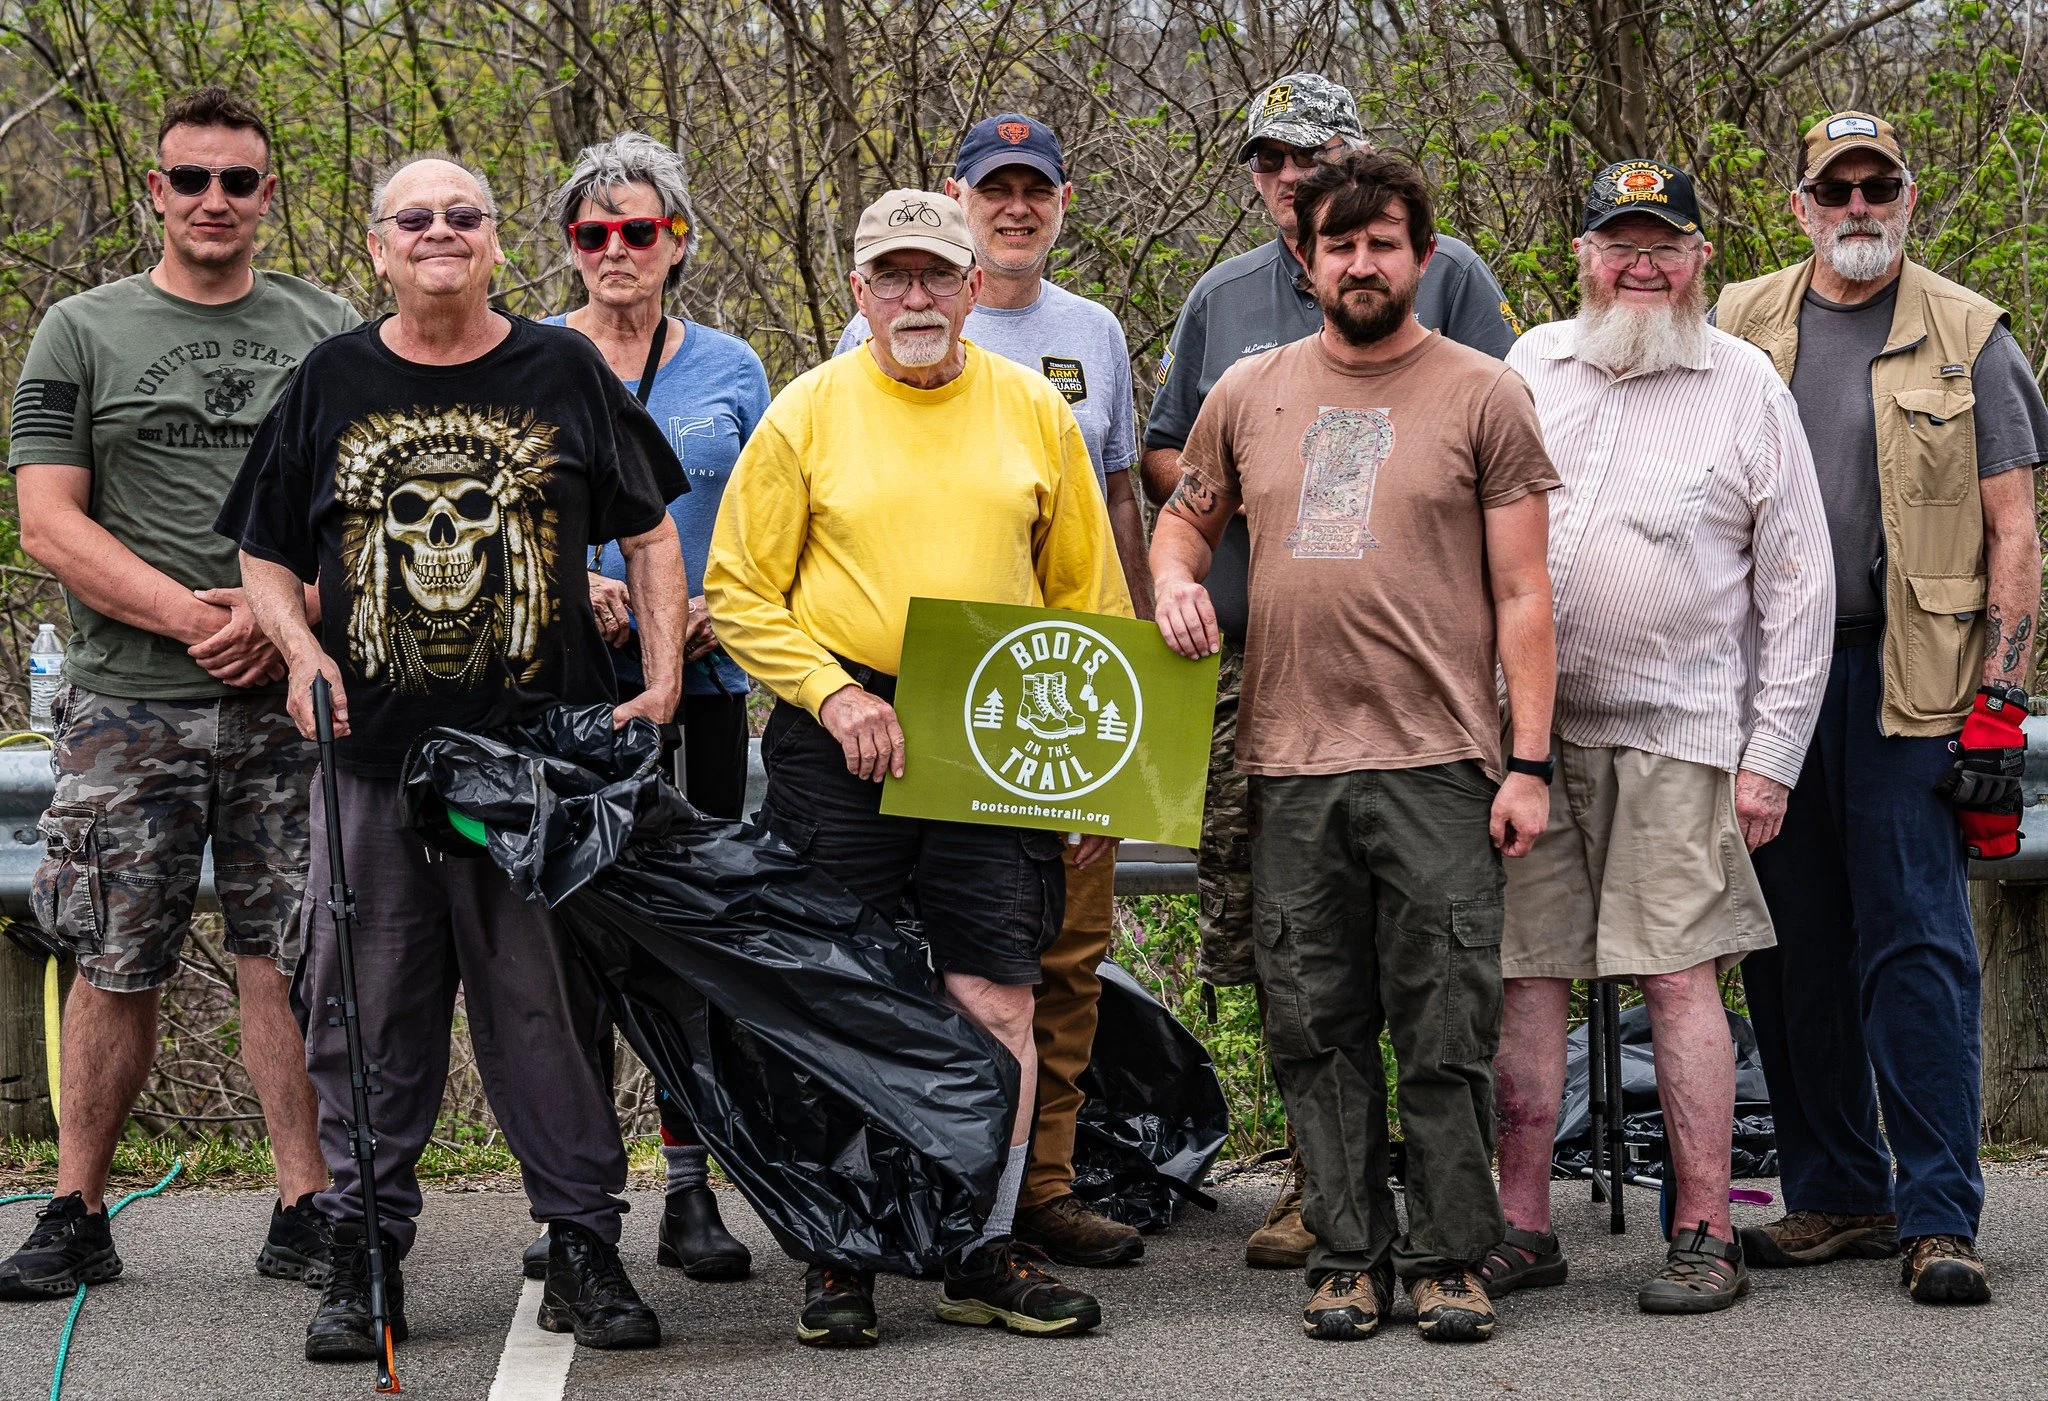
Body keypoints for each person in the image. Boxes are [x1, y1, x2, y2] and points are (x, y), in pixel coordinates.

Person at [219, 152, 688, 1359]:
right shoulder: (329, 379)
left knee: (544, 1010)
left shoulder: (564, 367)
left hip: (529, 772)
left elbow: (647, 530)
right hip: (370, 760)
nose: (440, 231)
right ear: (376, 246)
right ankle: (364, 1248)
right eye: (413, 217)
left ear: (494, 242)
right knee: (365, 1012)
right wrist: (297, 650)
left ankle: (582, 1244)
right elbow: (264, 553)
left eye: (463, 215)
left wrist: (664, 677)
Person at [705, 188, 1132, 1347]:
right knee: (839, 995)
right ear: (857, 291)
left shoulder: (1034, 410)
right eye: (890, 277)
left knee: (996, 992)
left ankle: (980, 1243)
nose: (914, 298)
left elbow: (1087, 597)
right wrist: (832, 692)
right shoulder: (806, 412)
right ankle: (840, 1252)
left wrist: (1093, 772)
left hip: (998, 723)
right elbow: (739, 590)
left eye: (935, 275)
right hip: (838, 729)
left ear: (972, 287)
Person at [1150, 149, 1560, 1344]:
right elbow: (1182, 522)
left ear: (1421, 260)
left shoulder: (1482, 391)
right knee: (1313, 1023)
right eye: (1339, 244)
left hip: (1439, 760)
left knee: (1443, 1021)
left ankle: (1445, 1255)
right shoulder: (1250, 389)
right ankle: (1345, 1252)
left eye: (1384, 243)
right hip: (1284, 761)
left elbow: (1526, 594)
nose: (1361, 263)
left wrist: (1525, 763)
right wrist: (1176, 584)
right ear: (1305, 258)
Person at [2, 86, 356, 1301]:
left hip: (286, 696)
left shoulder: (330, 329)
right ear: (155, 191)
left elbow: (361, 514)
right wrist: (194, 616)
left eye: (238, 181)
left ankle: (306, 1205)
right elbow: (48, 517)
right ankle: (75, 1210)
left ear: (268, 194)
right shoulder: (79, 330)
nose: (215, 200)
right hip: (126, 701)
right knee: (116, 955)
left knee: (291, 954)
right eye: (191, 179)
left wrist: (284, 620)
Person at [1482, 160, 1834, 1316]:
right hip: (1526, 734)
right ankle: (1520, 1224)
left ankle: (1701, 1231)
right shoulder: (1528, 363)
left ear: (1698, 261)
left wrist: (1768, 756)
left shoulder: (1743, 385)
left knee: (1679, 979)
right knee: (1522, 978)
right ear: (1580, 256)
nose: (1640, 265)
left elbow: (1797, 586)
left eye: (1663, 245)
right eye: (1618, 243)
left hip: (1683, 733)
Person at [1719, 112, 2048, 1306]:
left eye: (1877, 184)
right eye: (1833, 187)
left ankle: (1935, 1213)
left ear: (1905, 196)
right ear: (1798, 204)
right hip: (1773, 684)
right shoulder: (1735, 325)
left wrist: (1999, 707)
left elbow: (2015, 534)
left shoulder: (1970, 337)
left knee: (1914, 949)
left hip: (1913, 684)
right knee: (1787, 945)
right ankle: (1835, 1192)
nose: (1857, 204)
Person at [834, 112, 1150, 1269]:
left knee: (1051, 955)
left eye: (1035, 190)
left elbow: (1109, 513)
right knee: (910, 960)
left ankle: (1038, 1188)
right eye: (992, 189)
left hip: (1039, 696)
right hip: (890, 707)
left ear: (1059, 204)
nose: (1015, 207)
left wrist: (1119, 705)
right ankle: (889, 1200)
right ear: (957, 205)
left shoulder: (1092, 334)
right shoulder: (866, 340)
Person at [541, 130, 767, 1284]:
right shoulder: (529, 359)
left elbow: (773, 516)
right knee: (566, 945)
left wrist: (711, 603)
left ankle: (692, 1189)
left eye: (639, 230)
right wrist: (582, 584)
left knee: (689, 937)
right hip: (569, 694)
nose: (616, 251)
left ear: (677, 241)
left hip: (708, 688)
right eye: (593, 234)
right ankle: (572, 1203)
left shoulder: (729, 365)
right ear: (571, 249)